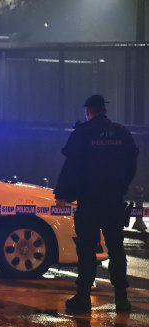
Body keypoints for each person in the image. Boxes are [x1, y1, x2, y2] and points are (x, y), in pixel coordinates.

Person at [54, 94, 138, 315]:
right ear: (105, 110)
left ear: (88, 112)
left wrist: (62, 193)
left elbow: (70, 167)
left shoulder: (82, 134)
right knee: (116, 248)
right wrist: (121, 188)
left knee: (87, 249)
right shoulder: (121, 132)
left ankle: (83, 297)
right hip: (113, 201)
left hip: (89, 201)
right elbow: (132, 164)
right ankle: (121, 298)